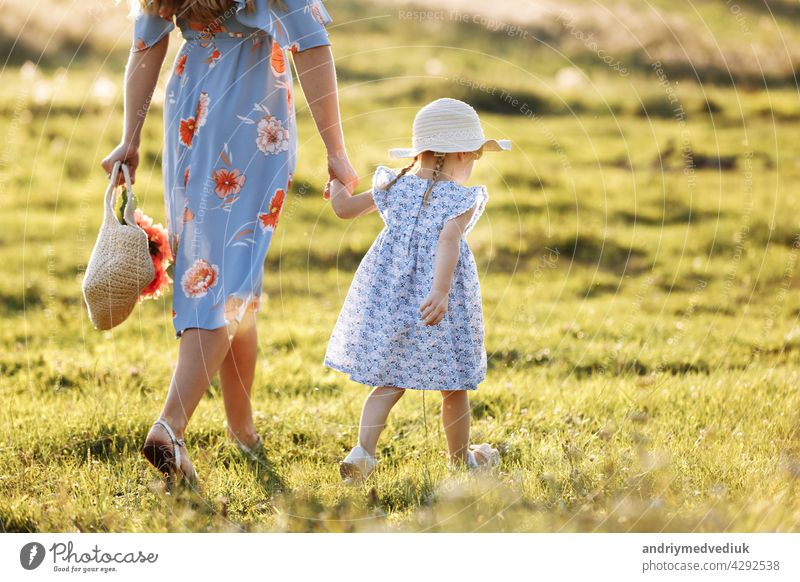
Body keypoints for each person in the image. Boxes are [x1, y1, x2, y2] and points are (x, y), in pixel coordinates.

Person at [100, 0, 357, 486]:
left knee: (226, 275)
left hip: (191, 109)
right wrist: (337, 153)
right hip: (253, 117)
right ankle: (170, 426)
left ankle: (243, 432)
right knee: (223, 281)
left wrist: (129, 138)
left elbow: (146, 42)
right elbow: (310, 46)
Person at [322, 98, 510, 483]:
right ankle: (462, 463)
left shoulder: (394, 185)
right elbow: (448, 240)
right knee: (453, 384)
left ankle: (363, 454)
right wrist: (440, 291)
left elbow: (343, 209)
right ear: (460, 153)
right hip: (438, 305)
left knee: (389, 379)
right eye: (474, 156)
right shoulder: (461, 198)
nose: (473, 165)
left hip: (393, 299)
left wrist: (337, 181)